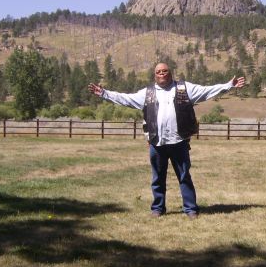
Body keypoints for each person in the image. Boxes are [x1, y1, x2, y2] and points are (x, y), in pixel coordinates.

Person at [88, 63, 245, 219]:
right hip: (157, 143)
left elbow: (207, 91)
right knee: (158, 178)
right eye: (158, 71)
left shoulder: (184, 88)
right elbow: (125, 99)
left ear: (171, 73)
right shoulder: (147, 93)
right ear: (154, 75)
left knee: (184, 176)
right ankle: (158, 208)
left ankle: (190, 209)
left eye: (165, 71)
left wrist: (229, 85)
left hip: (179, 142)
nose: (161, 73)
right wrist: (104, 93)